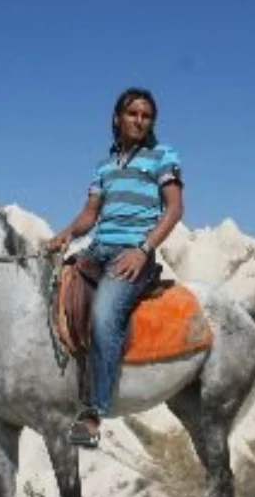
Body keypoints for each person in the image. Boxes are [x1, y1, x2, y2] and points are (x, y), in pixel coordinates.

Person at [45, 88, 184, 448]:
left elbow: (174, 210)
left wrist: (143, 249)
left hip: (132, 253)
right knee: (51, 293)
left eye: (146, 115)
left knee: (105, 315)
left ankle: (93, 412)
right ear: (117, 118)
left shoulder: (162, 156)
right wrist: (65, 234)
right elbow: (90, 214)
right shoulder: (104, 166)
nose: (139, 120)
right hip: (97, 249)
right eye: (133, 113)